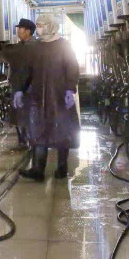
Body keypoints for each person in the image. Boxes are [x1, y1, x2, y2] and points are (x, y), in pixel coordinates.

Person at [13, 14, 79, 181]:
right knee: (37, 131)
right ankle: (37, 169)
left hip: (59, 96)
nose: (40, 28)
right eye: (39, 25)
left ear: (51, 26)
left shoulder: (63, 45)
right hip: (38, 96)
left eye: (42, 25)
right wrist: (20, 90)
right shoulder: (36, 47)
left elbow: (72, 67)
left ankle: (62, 168)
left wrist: (70, 89)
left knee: (61, 131)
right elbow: (27, 70)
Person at [2, 18, 37, 145]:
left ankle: (31, 142)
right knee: (22, 116)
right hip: (20, 88)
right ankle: (25, 139)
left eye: (20, 28)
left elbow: (10, 54)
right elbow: (9, 52)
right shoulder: (22, 45)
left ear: (28, 31)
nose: (17, 30)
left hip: (29, 89)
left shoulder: (31, 46)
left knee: (28, 116)